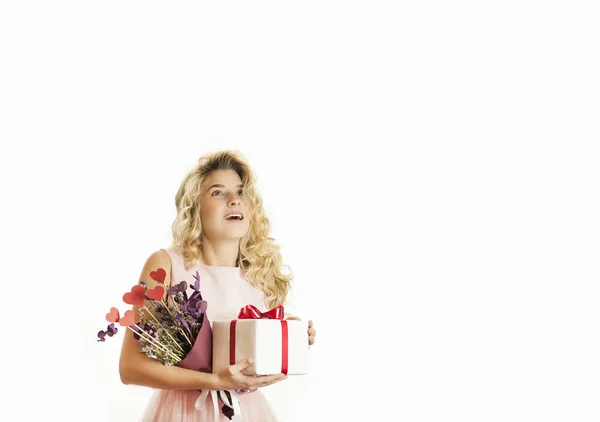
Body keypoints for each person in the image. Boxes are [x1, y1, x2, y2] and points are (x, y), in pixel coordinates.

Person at [118, 150, 316, 422]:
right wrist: (214, 381)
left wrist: (285, 340)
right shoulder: (166, 265)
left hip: (246, 414)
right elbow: (130, 368)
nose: (234, 200)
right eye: (218, 193)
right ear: (195, 207)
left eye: (241, 192)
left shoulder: (259, 276)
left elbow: (255, 369)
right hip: (183, 414)